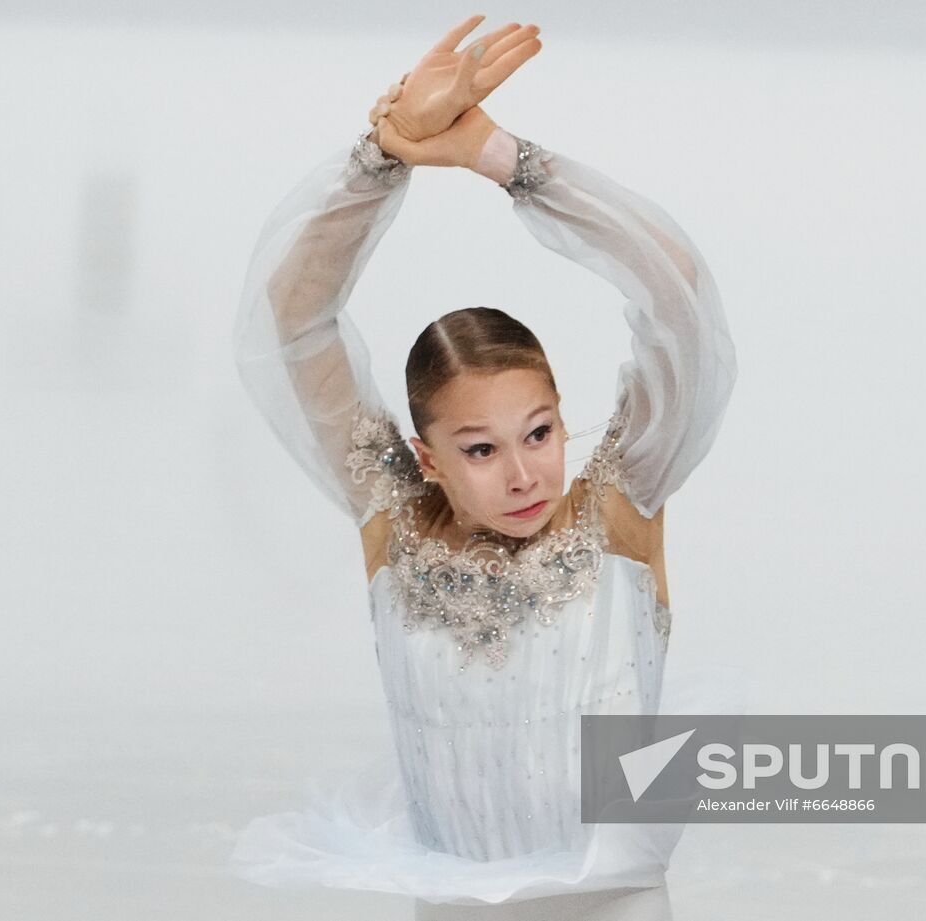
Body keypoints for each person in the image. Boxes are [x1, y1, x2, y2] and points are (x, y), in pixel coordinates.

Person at [227, 15, 742, 920]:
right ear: (427, 456)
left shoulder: (621, 507)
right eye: (481, 448)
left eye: (540, 431)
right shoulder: (394, 519)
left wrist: (496, 155)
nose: (524, 473)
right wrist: (381, 156)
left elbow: (677, 292)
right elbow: (292, 320)